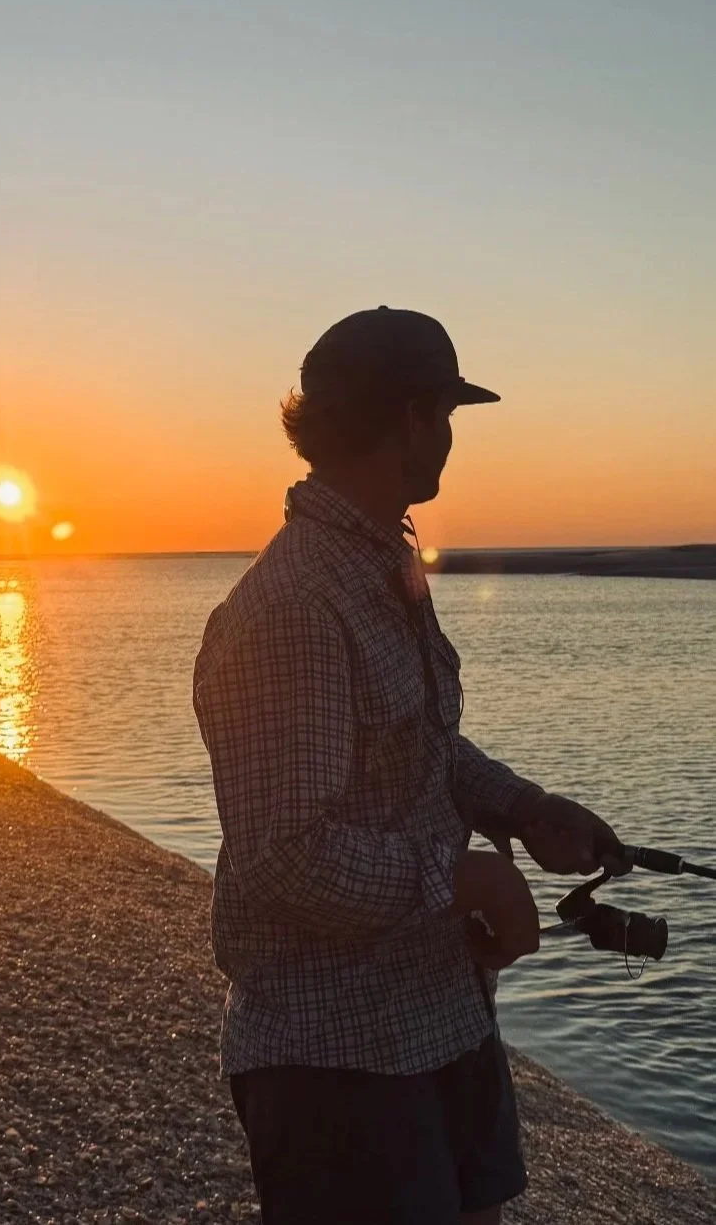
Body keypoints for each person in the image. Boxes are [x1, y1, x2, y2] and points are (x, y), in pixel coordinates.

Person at [193, 307, 624, 1224]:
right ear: (410, 419)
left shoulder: (381, 561)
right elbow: (284, 857)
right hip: (336, 1059)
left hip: (441, 1012)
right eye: (448, 415)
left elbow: (415, 744)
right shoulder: (292, 608)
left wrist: (523, 808)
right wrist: (464, 876)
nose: (449, 439)